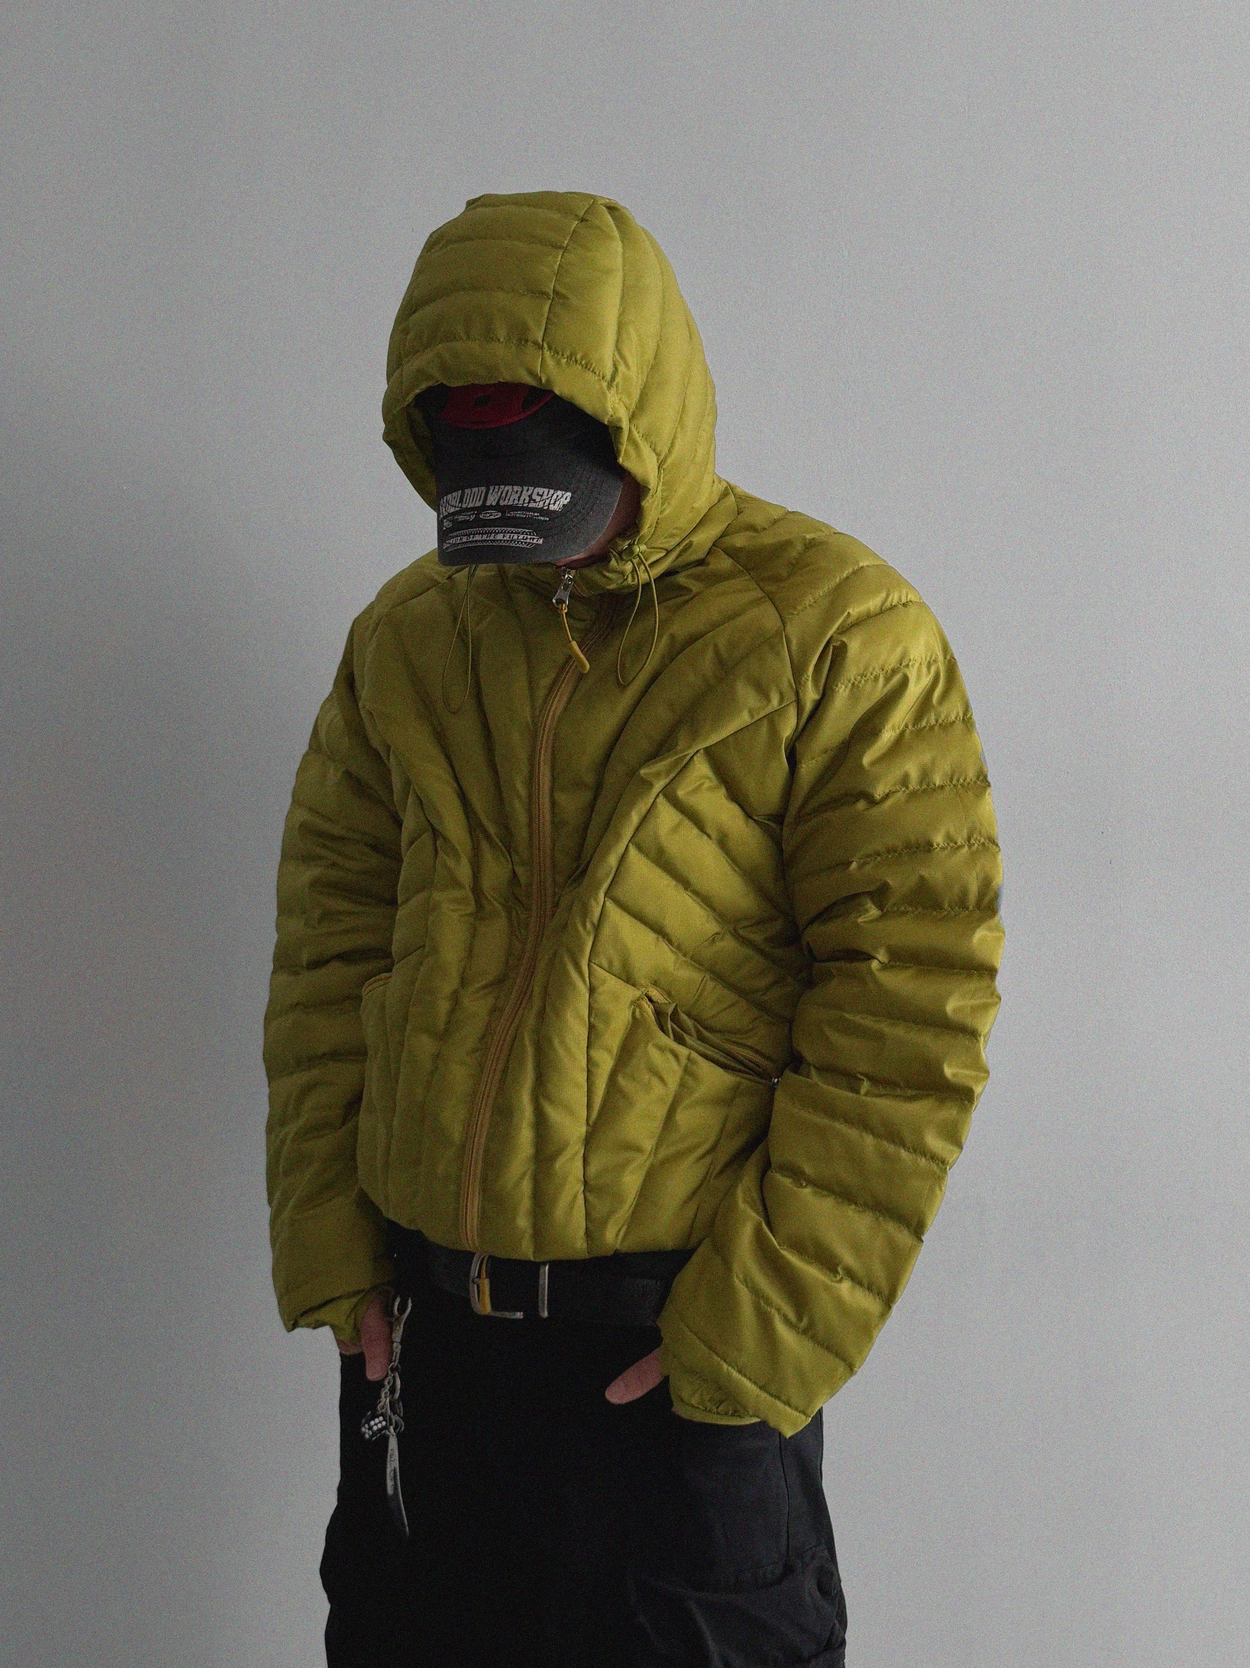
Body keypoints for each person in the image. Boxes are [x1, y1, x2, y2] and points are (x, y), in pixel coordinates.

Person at [264, 190, 1003, 1668]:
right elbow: (333, 943)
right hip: (425, 1343)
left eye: (550, 488)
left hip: (672, 1352)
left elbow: (910, 1001)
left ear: (639, 419)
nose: (527, 547)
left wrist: (757, 1337)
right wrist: (331, 1247)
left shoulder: (838, 633)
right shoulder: (408, 638)